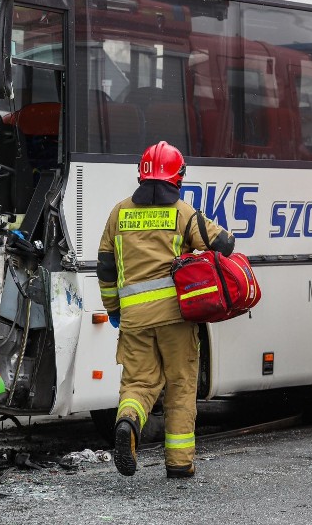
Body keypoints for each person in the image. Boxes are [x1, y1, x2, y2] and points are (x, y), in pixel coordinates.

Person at [97, 141, 235, 478]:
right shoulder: (183, 213)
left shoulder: (119, 212)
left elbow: (104, 266)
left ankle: (128, 422)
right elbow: (225, 244)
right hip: (176, 319)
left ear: (141, 175)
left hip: (133, 321)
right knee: (180, 387)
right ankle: (179, 463)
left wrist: (113, 308)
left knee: (138, 384)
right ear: (178, 177)